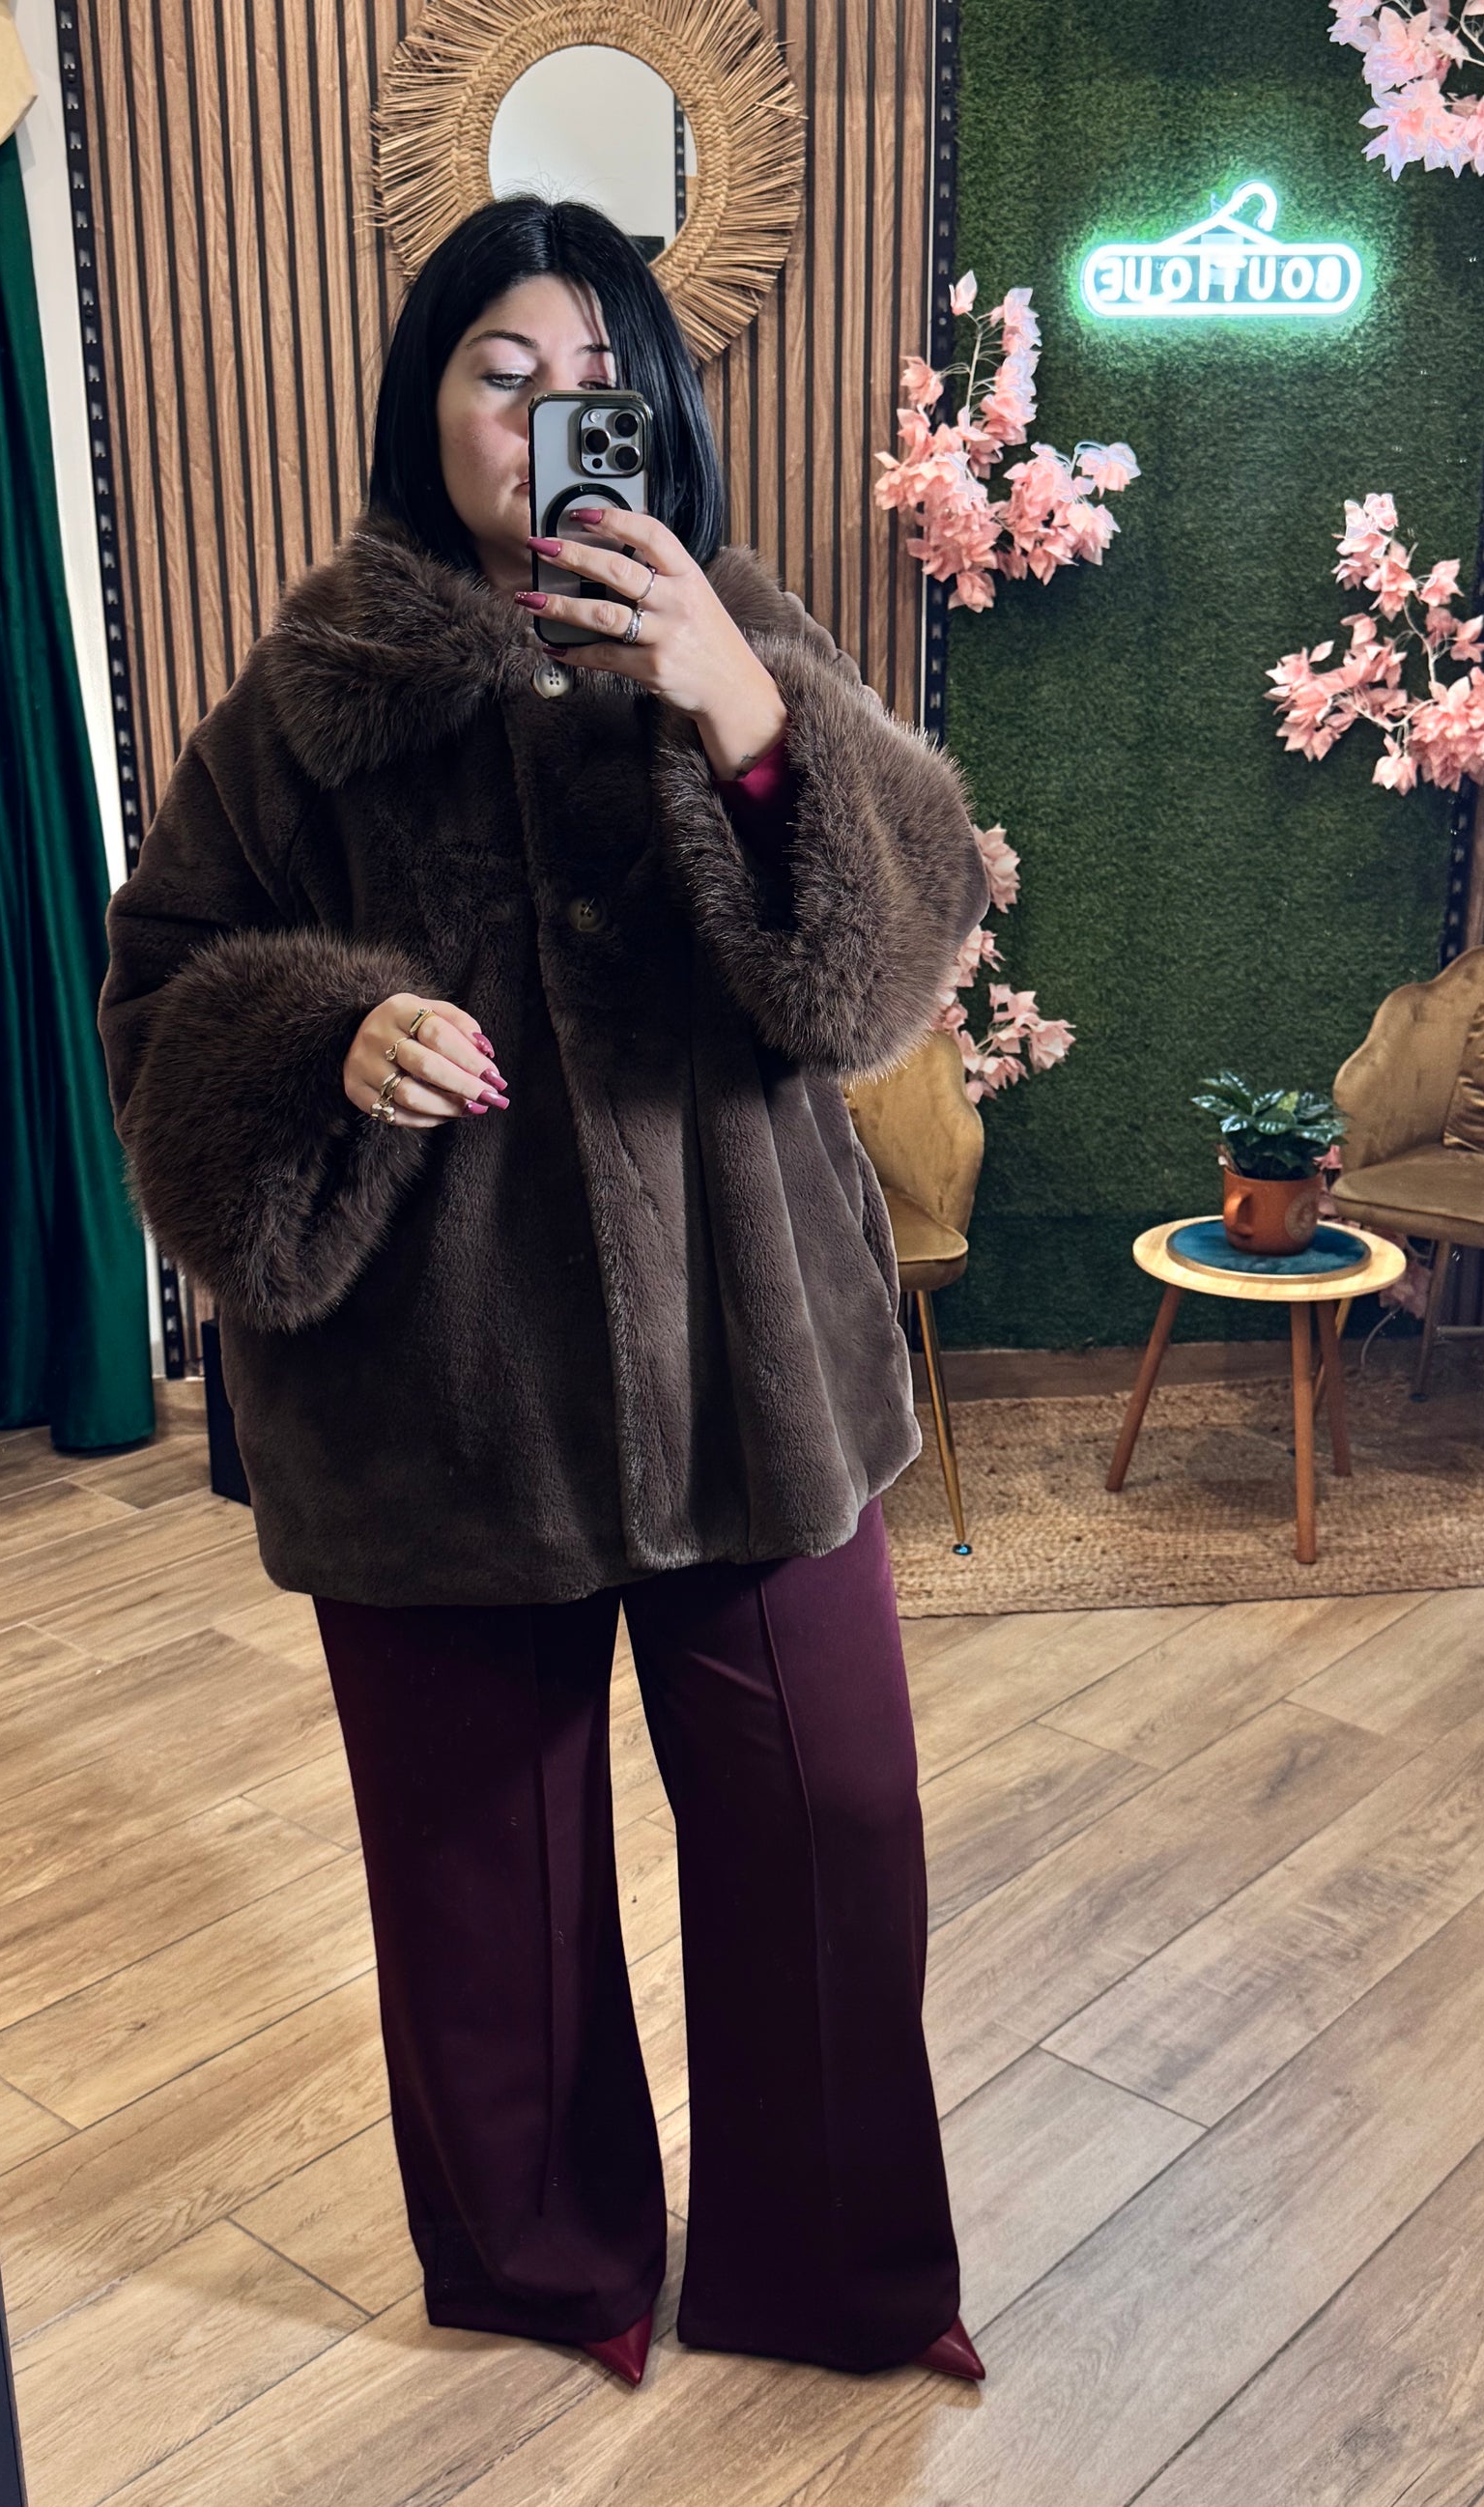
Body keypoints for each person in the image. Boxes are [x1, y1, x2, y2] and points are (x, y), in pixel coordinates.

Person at [97, 195, 992, 2391]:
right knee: (477, 1888)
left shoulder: (736, 624)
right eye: (501, 371)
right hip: (440, 1399)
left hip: (752, 1368)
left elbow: (889, 963)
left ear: (654, 411)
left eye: (594, 380)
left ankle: (840, 2276)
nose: (546, 416)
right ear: (428, 401)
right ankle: (542, 2261)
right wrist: (326, 1037)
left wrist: (745, 718)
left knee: (834, 1832)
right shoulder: (313, 702)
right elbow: (156, 995)